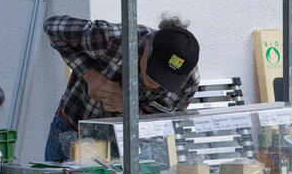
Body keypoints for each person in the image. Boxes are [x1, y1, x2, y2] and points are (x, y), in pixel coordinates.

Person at [43, 15, 201, 162]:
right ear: (147, 48)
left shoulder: (188, 82)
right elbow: (53, 26)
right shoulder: (114, 40)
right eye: (154, 72)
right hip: (72, 132)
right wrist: (90, 75)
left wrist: (127, 108)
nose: (157, 84)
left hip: (127, 146)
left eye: (167, 80)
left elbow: (159, 129)